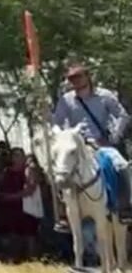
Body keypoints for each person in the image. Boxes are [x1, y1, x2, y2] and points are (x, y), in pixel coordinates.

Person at [52, 62, 132, 221]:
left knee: (122, 166)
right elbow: (57, 122)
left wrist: (114, 136)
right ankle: (63, 212)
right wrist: (61, 135)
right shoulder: (66, 100)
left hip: (101, 144)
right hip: (77, 145)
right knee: (60, 171)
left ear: (88, 76)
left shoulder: (105, 96)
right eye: (71, 78)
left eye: (78, 76)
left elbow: (123, 116)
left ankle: (125, 207)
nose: (75, 81)